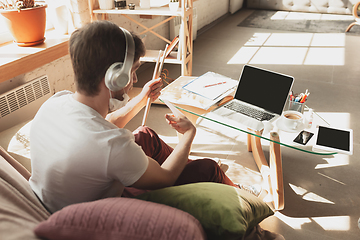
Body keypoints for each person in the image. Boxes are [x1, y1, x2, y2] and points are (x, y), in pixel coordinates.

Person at [29, 20, 255, 214]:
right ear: (115, 78)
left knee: (145, 135)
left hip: (68, 196)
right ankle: (242, 198)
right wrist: (188, 135)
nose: (135, 79)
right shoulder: (112, 146)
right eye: (133, 71)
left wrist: (142, 97)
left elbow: (101, 126)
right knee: (208, 168)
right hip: (98, 216)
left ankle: (189, 172)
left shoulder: (56, 102)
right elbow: (164, 178)